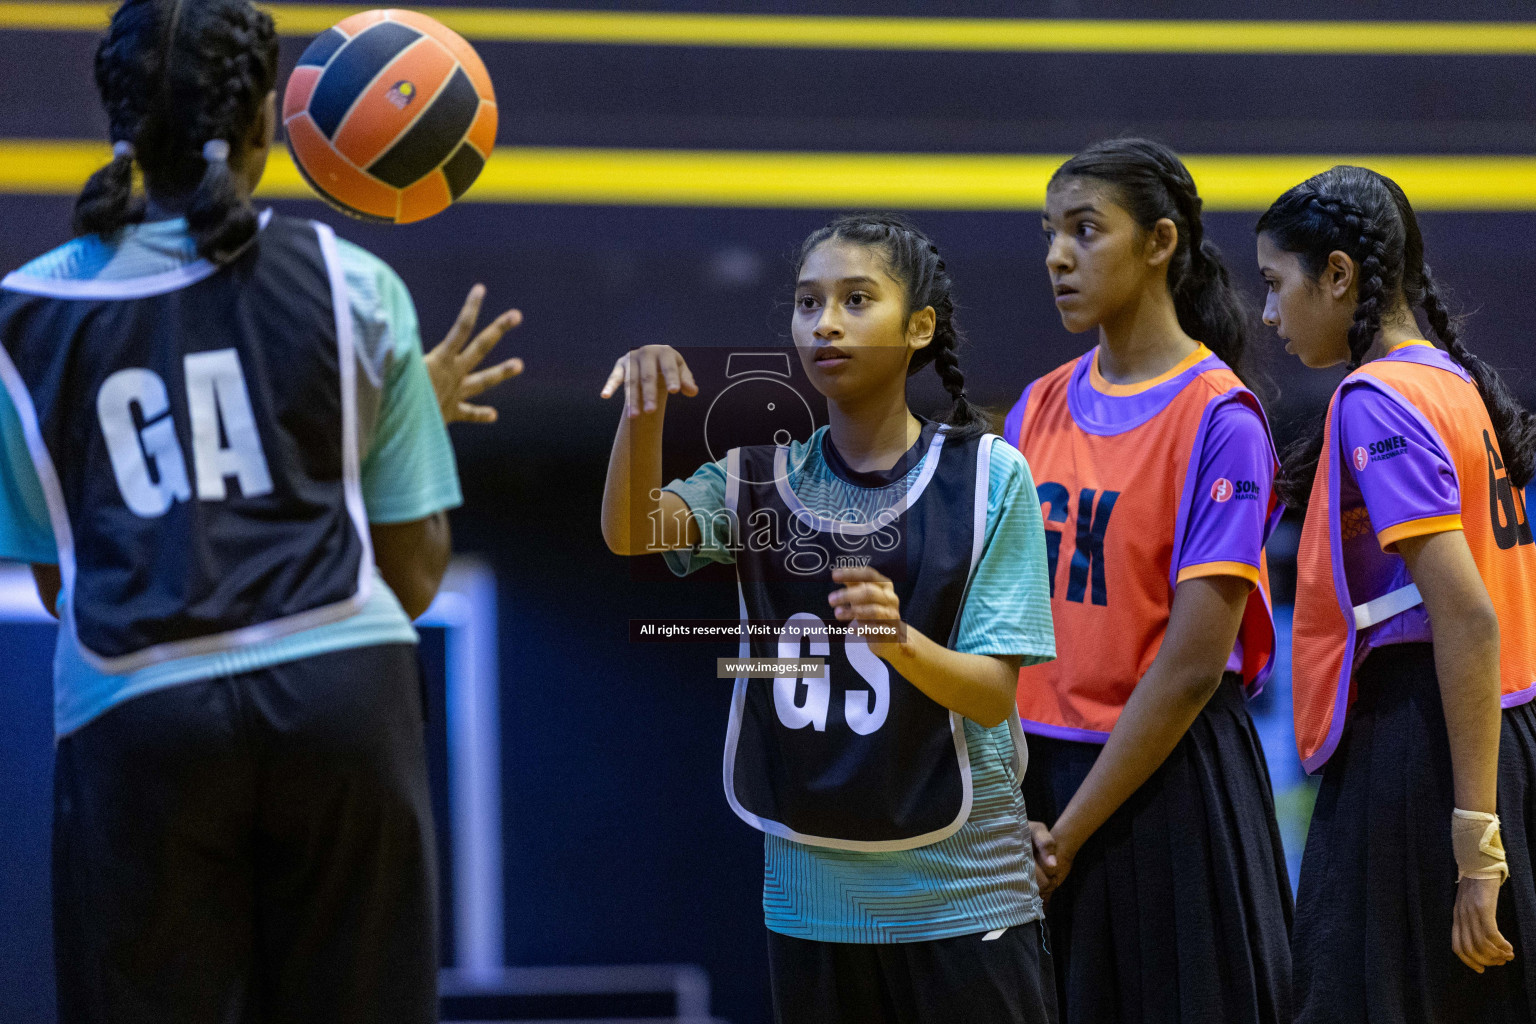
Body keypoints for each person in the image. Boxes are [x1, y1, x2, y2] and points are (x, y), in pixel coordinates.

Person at [0, 1, 520, 1020]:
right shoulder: (351, 280)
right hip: (344, 700)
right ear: (269, 128)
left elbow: (67, 583)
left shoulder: (23, 316)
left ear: (117, 124)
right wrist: (389, 419)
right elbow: (413, 578)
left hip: (137, 711)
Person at [600, 213, 1059, 1023]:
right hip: (813, 899)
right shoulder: (758, 478)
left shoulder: (989, 474)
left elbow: (991, 695)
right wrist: (641, 417)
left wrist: (900, 641)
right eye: (809, 304)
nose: (827, 323)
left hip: (966, 891)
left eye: (855, 299)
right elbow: (635, 529)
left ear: (919, 327)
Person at [1011, 137, 1293, 1024]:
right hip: (1029, 793)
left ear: (1160, 243)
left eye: (1086, 230)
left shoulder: (1222, 419)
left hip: (1159, 792)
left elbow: (1190, 665)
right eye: (1050, 232)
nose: (1058, 255)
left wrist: (1068, 834)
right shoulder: (1037, 405)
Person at [1257, 164, 1536, 1023]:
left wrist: (1473, 841)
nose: (1268, 314)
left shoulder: (1379, 399)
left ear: (1338, 275)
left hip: (1425, 744)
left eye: (1276, 284)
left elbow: (1465, 615)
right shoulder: (1452, 383)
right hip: (1491, 733)